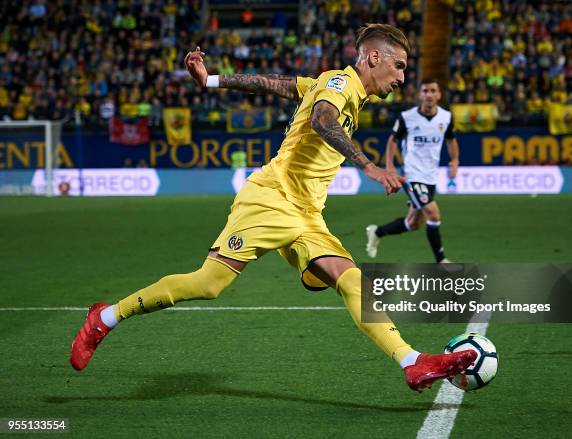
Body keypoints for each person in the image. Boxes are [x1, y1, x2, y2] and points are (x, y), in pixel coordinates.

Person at [70, 25, 475, 392]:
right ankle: (104, 318)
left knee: (353, 281)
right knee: (209, 284)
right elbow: (322, 120)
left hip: (306, 213)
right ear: (374, 58)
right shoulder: (340, 84)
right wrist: (368, 165)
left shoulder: (327, 83)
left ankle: (412, 362)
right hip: (272, 198)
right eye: (399, 65)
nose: (403, 77)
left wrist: (211, 79)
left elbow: (275, 84)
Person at [366, 78, 459, 263]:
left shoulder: (446, 117)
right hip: (412, 176)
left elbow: (451, 139)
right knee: (433, 213)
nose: (429, 95)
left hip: (431, 177)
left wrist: (455, 160)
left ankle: (376, 232)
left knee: (413, 223)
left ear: (439, 95)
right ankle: (441, 261)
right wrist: (390, 167)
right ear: (420, 95)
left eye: (433, 91)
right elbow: (392, 140)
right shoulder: (407, 118)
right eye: (425, 91)